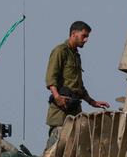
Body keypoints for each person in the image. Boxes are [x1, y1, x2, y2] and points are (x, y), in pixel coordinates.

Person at [45, 21, 109, 149]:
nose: (86, 40)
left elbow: (78, 85)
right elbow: (50, 77)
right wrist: (57, 96)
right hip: (61, 108)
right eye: (84, 36)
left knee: (73, 147)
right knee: (56, 147)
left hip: (74, 107)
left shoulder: (75, 55)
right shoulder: (60, 51)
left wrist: (92, 102)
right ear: (73, 34)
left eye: (87, 37)